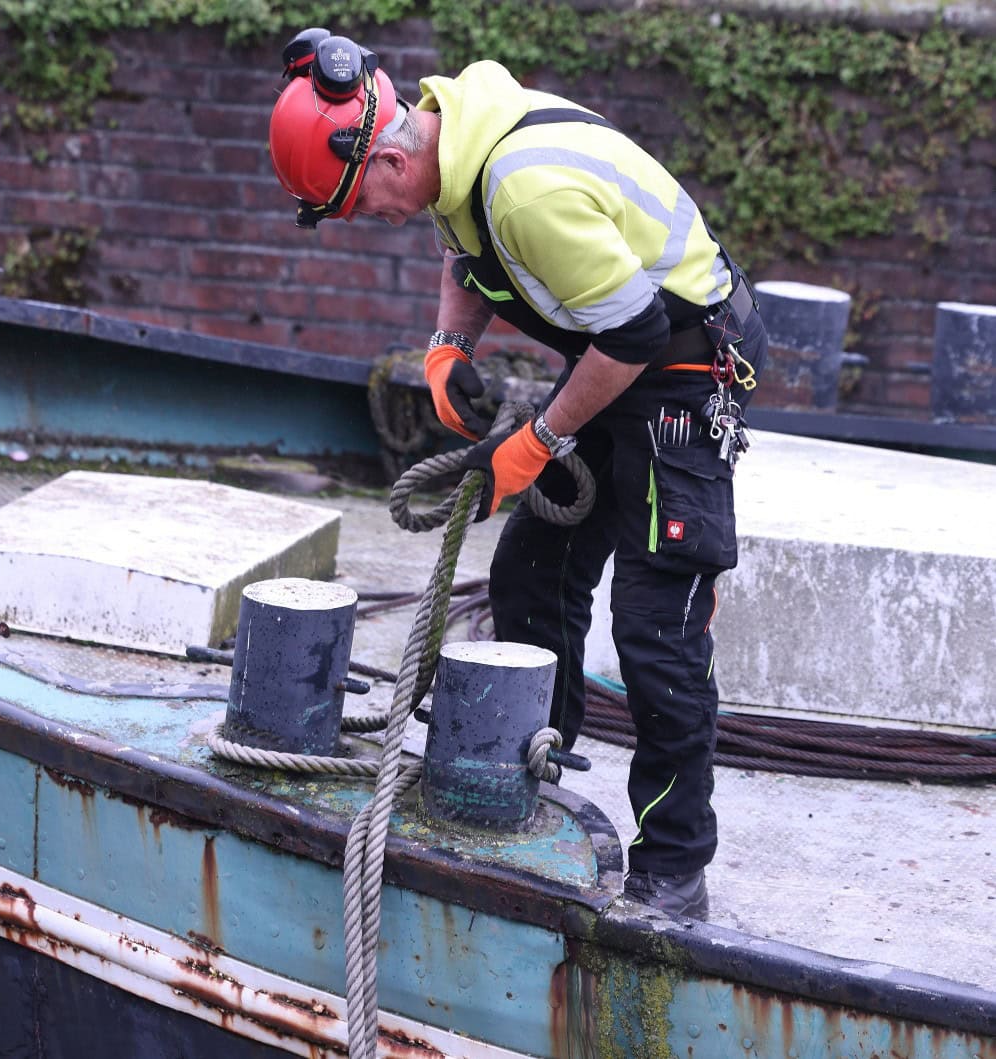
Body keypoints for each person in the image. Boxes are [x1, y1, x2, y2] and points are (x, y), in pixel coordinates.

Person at [267, 30, 768, 920]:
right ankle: (533, 776)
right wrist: (448, 344)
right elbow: (463, 251)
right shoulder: (447, 139)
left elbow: (637, 335)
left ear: (384, 151)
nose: (376, 220)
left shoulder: (523, 185)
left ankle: (673, 868)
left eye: (364, 205)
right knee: (530, 573)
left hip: (679, 377)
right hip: (613, 357)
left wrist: (535, 440)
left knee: (657, 630)